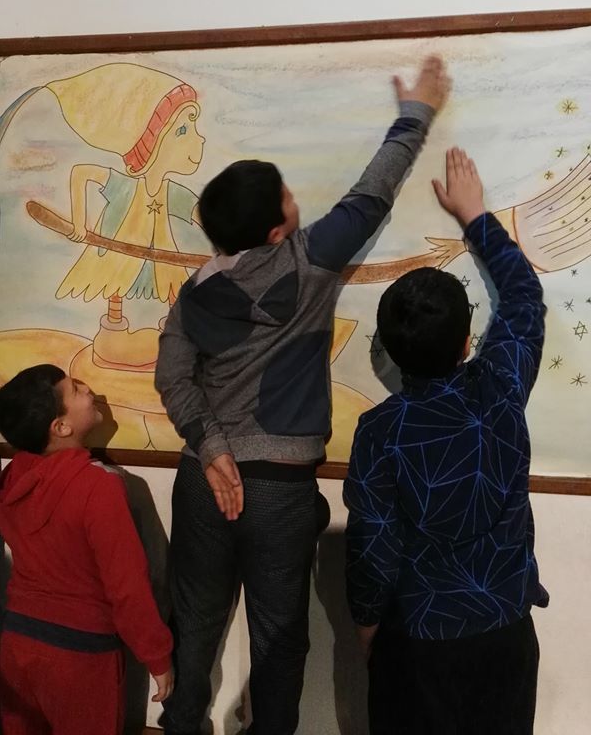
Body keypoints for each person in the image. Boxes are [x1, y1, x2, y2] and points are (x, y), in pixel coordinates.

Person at [155, 56, 449, 735]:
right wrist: (417, 113)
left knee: (192, 627)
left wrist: (212, 446)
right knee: (279, 638)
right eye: (287, 197)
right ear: (275, 231)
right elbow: (372, 192)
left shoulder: (195, 290)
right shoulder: (309, 261)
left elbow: (172, 379)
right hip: (280, 491)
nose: (295, 199)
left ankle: (180, 726)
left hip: (203, 480)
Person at [344, 147, 548, 735]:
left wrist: (366, 628)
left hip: (418, 642)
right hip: (505, 633)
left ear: (390, 351)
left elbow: (371, 547)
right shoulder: (499, 388)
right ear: (466, 342)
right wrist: (475, 215)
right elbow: (524, 298)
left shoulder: (379, 432)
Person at [0, 364, 174, 735]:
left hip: (17, 643)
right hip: (80, 655)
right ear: (60, 427)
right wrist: (157, 656)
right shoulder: (99, 487)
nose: (89, 390)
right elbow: (128, 586)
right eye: (76, 389)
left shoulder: (13, 479)